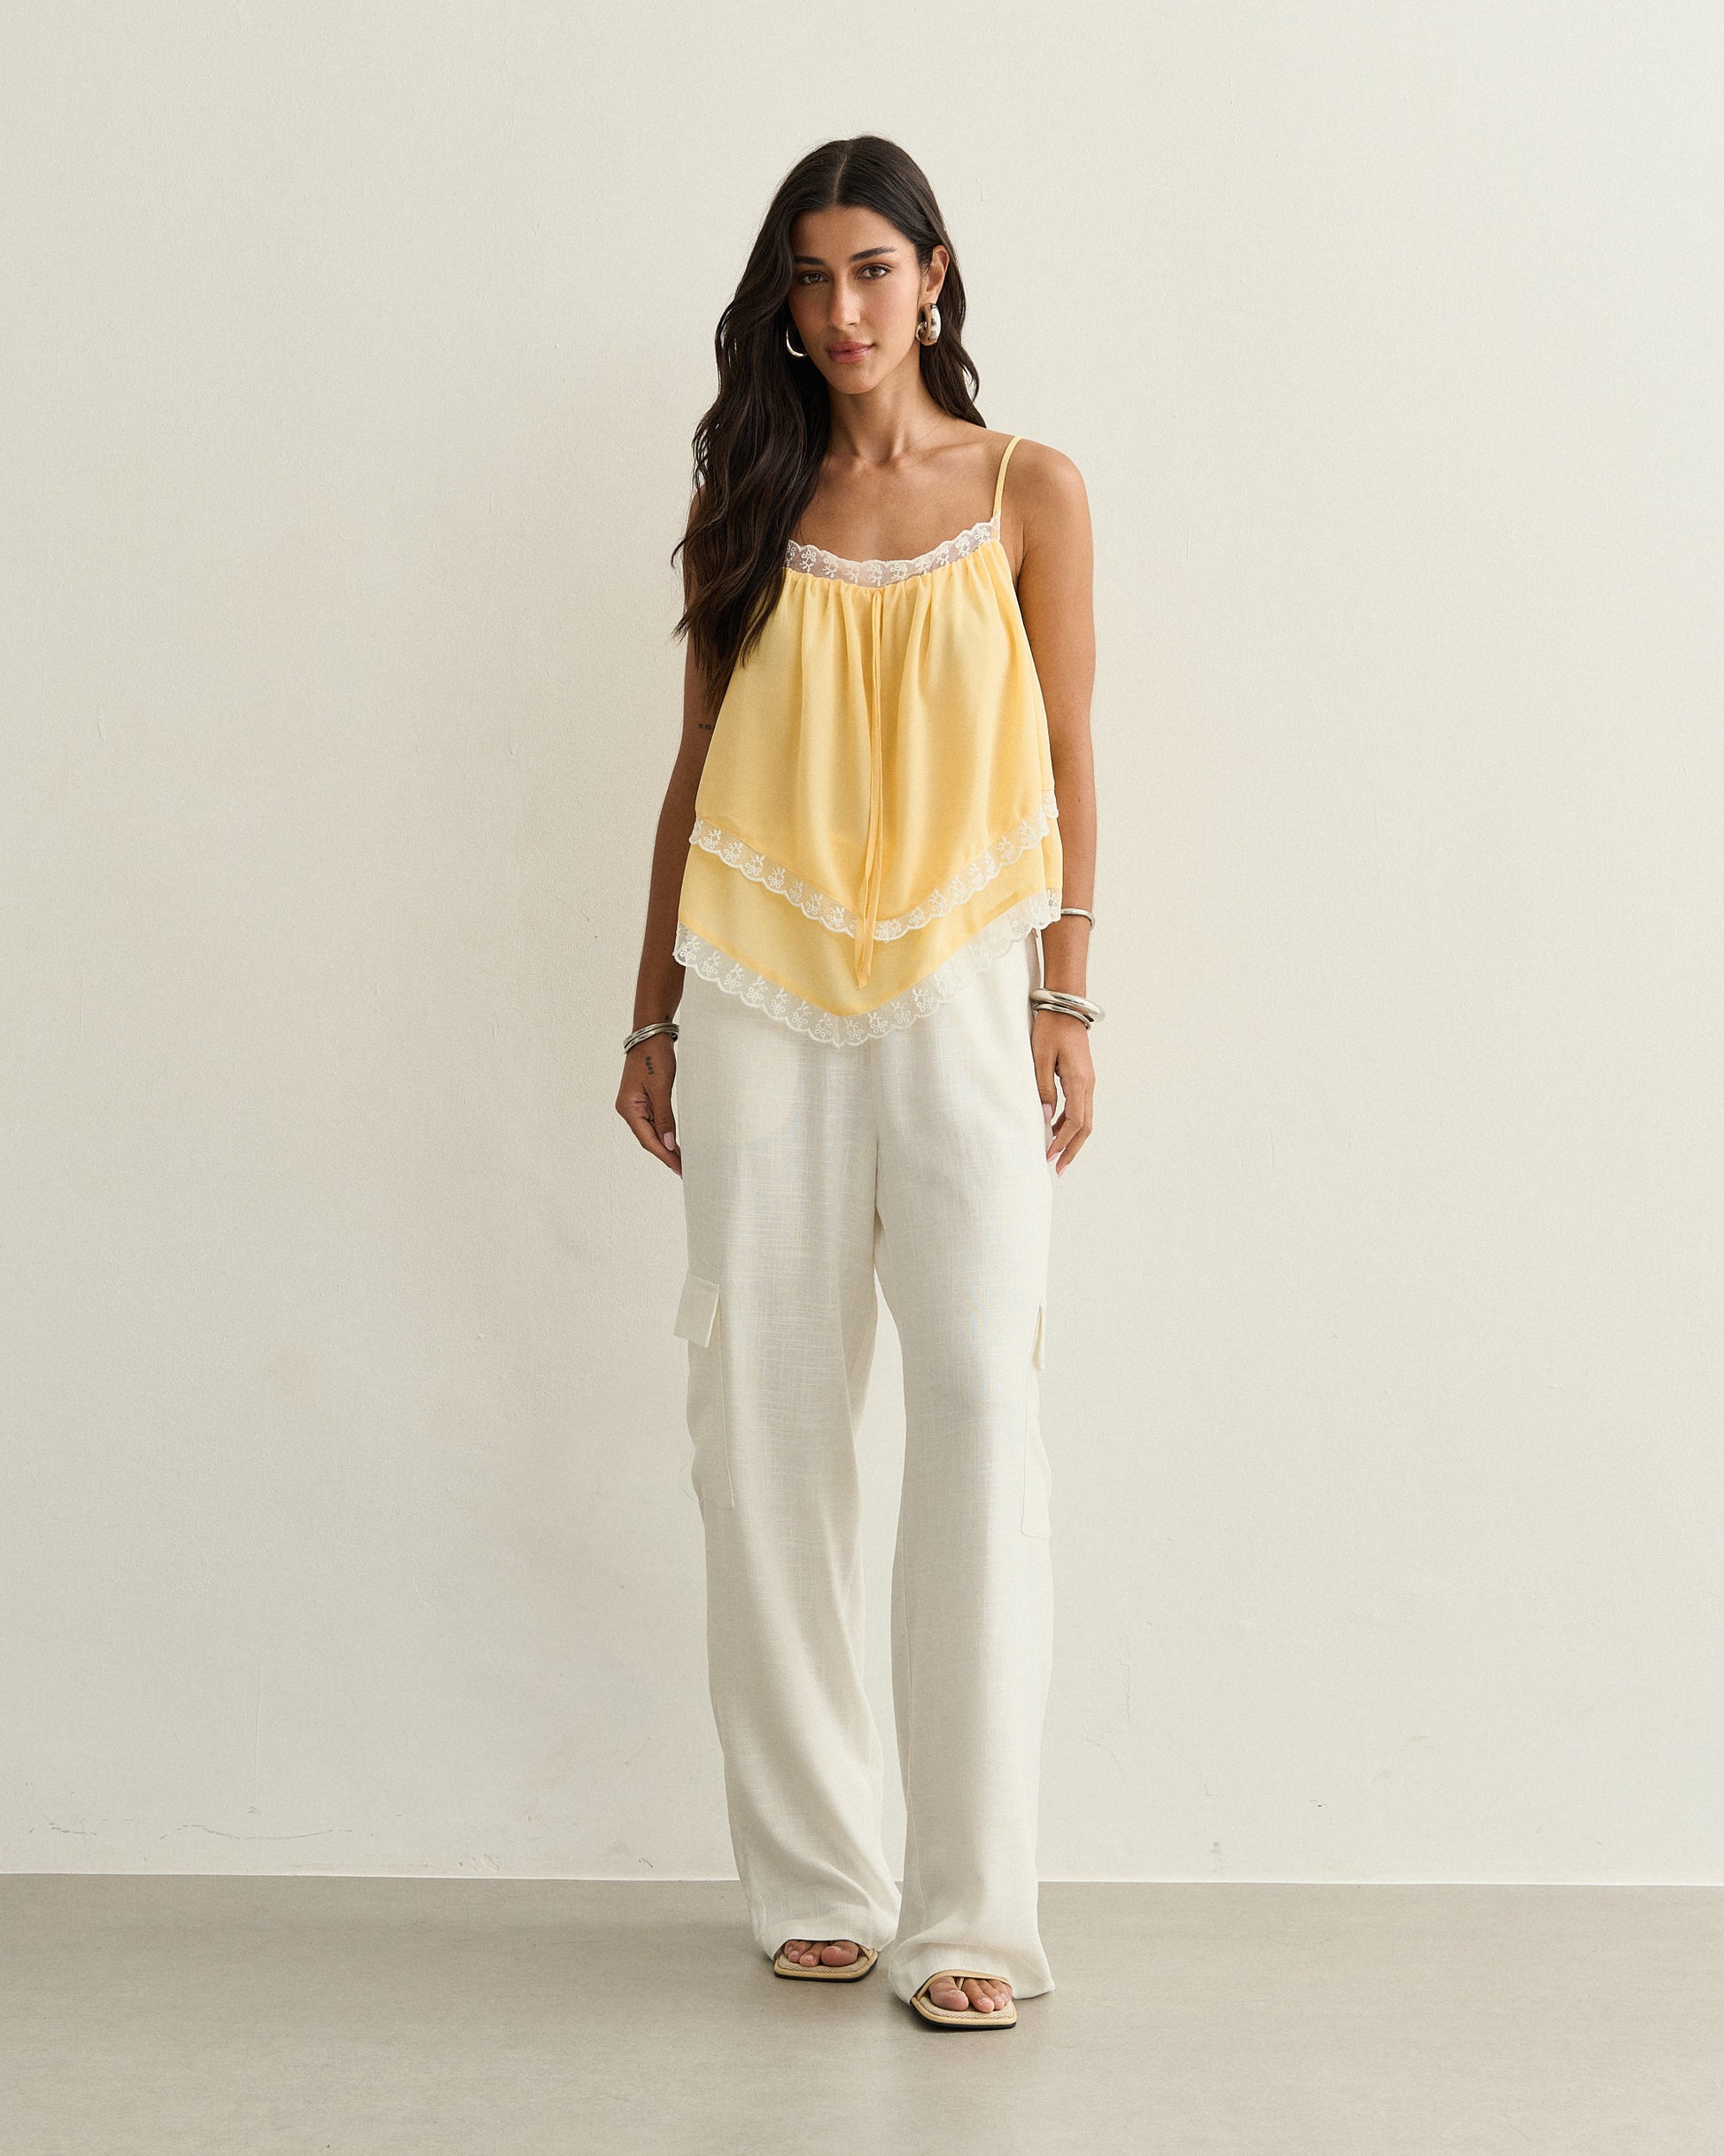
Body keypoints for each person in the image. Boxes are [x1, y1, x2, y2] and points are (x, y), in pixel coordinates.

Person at [616, 134, 1099, 2030]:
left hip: (965, 992)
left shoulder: (1028, 488)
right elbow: (693, 766)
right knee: (765, 1429)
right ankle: (820, 1873)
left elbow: (1070, 747)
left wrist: (1069, 995)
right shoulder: (746, 496)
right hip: (756, 988)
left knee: (978, 1413)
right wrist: (649, 1014)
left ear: (934, 274)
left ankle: (968, 1911)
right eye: (809, 279)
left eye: (872, 271)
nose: (840, 311)